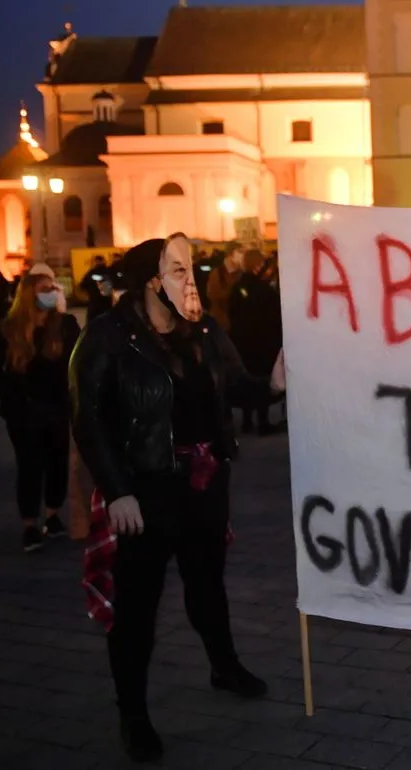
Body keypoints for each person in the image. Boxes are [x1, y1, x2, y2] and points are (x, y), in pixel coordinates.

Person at [70, 233, 277, 762]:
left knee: (208, 586)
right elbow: (89, 421)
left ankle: (223, 665)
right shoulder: (108, 337)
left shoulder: (204, 331)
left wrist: (273, 385)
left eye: (191, 270)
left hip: (205, 485)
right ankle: (133, 713)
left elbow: (235, 386)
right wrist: (117, 492)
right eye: (179, 271)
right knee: (137, 608)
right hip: (144, 491)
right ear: (150, 283)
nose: (192, 280)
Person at [0, 270, 81, 551]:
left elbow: (78, 361)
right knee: (29, 466)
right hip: (23, 412)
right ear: (29, 294)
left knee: (57, 464)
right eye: (43, 288)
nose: (51, 292)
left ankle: (52, 515)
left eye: (52, 287)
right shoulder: (10, 330)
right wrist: (9, 394)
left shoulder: (65, 325)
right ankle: (29, 523)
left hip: (57, 407)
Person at [228, 249, 284, 435]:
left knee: (247, 380)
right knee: (262, 382)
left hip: (242, 342)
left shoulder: (238, 288)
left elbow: (232, 313)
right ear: (258, 265)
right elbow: (275, 317)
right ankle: (263, 421)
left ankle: (246, 420)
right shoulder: (264, 290)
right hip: (262, 342)